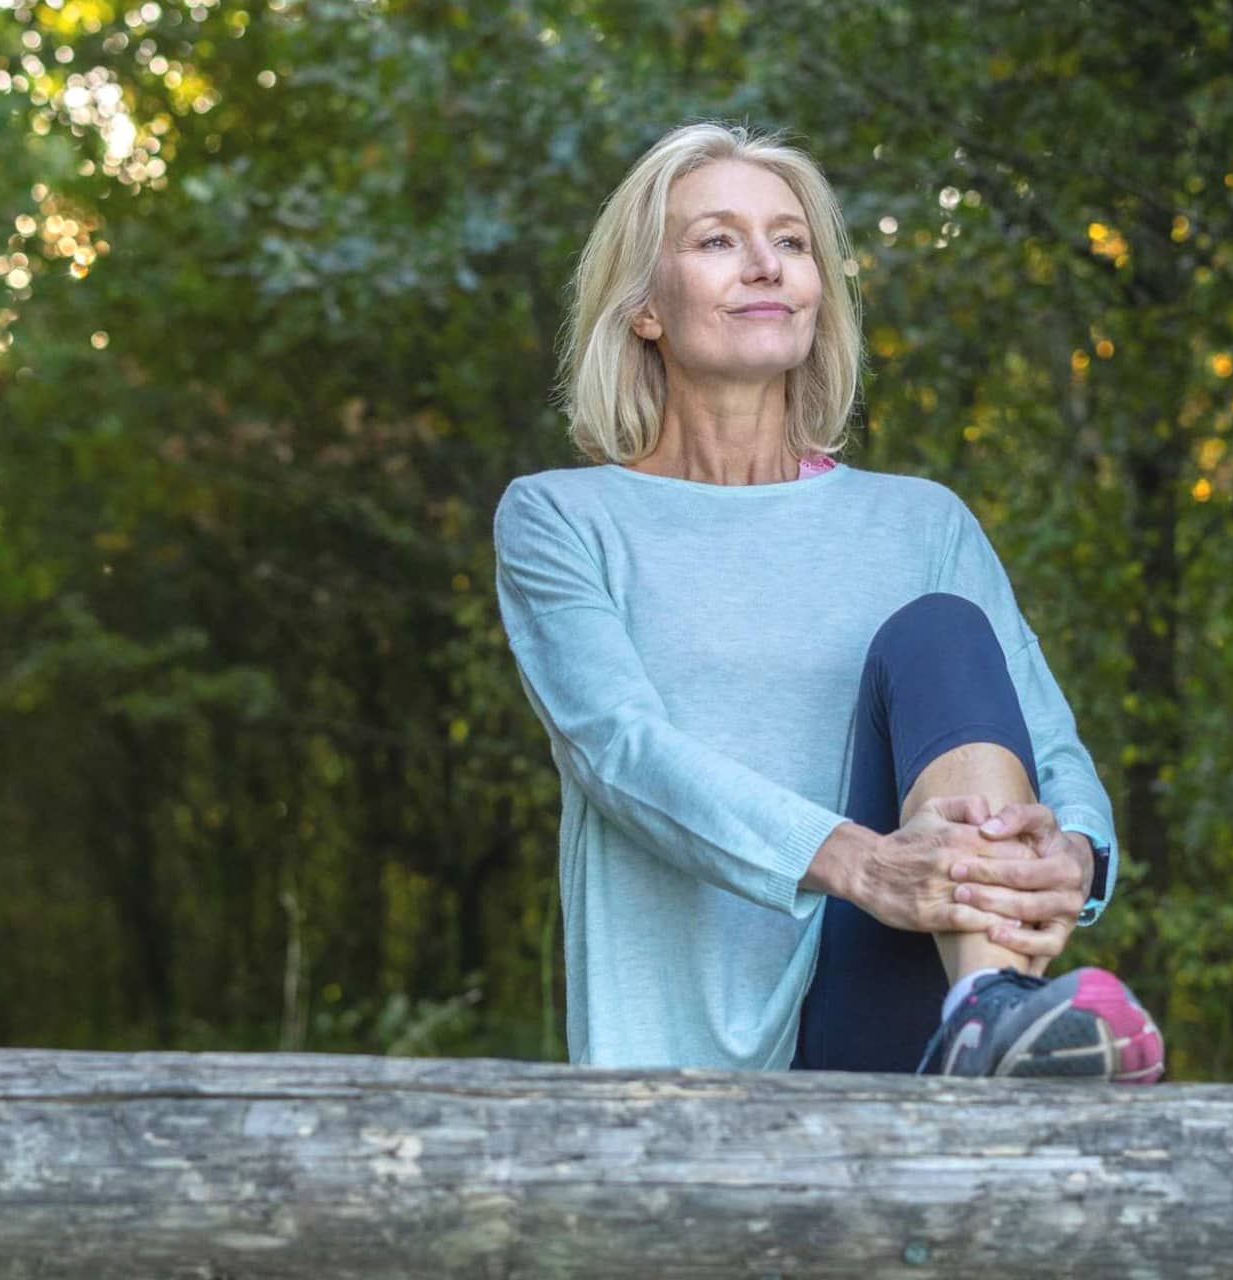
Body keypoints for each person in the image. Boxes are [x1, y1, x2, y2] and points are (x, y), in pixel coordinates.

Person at [492, 121, 1163, 1081]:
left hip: (902, 1005)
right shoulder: (562, 518)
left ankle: (989, 1008)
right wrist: (864, 865)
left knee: (942, 634)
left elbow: (1051, 749)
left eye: (793, 242)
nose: (767, 264)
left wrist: (1080, 857)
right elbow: (620, 752)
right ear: (645, 306)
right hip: (691, 1044)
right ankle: (987, 1011)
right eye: (718, 240)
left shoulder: (921, 522)